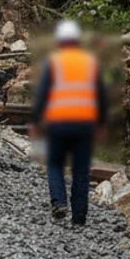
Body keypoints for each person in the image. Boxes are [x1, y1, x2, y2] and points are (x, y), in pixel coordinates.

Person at [30, 20, 108, 227]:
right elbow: (101, 96)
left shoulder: (54, 62)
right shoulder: (90, 62)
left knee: (55, 164)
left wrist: (37, 121)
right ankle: (79, 217)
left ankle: (59, 202)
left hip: (59, 123)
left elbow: (43, 95)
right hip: (85, 124)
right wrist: (101, 123)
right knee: (81, 170)